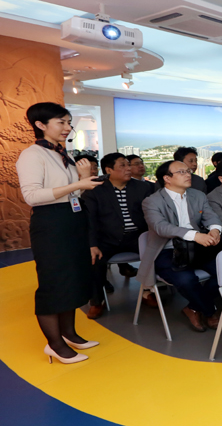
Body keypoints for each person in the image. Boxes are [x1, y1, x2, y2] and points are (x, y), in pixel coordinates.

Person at [16, 102, 104, 364]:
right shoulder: (32, 154)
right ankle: (54, 345)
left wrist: (81, 179)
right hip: (50, 224)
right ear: (40, 125)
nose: (67, 127)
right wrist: (78, 183)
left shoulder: (61, 153)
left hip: (71, 220)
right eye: (61, 122)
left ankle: (69, 334)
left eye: (69, 122)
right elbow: (32, 196)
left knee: (73, 279)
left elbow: (72, 195)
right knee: (54, 283)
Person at [140, 160, 222, 333]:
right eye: (181, 172)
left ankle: (193, 307)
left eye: (188, 171)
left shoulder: (197, 195)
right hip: (167, 250)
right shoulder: (152, 201)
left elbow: (211, 216)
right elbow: (161, 227)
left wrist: (215, 230)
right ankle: (210, 311)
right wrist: (195, 235)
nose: (188, 174)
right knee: (186, 280)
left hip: (197, 248)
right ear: (167, 178)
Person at [81, 152, 152, 319]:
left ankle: (148, 292)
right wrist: (92, 245)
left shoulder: (143, 188)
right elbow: (90, 221)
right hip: (107, 239)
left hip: (137, 237)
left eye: (128, 165)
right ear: (109, 170)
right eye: (123, 165)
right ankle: (97, 301)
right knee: (94, 261)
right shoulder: (95, 190)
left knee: (156, 254)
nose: (128, 168)